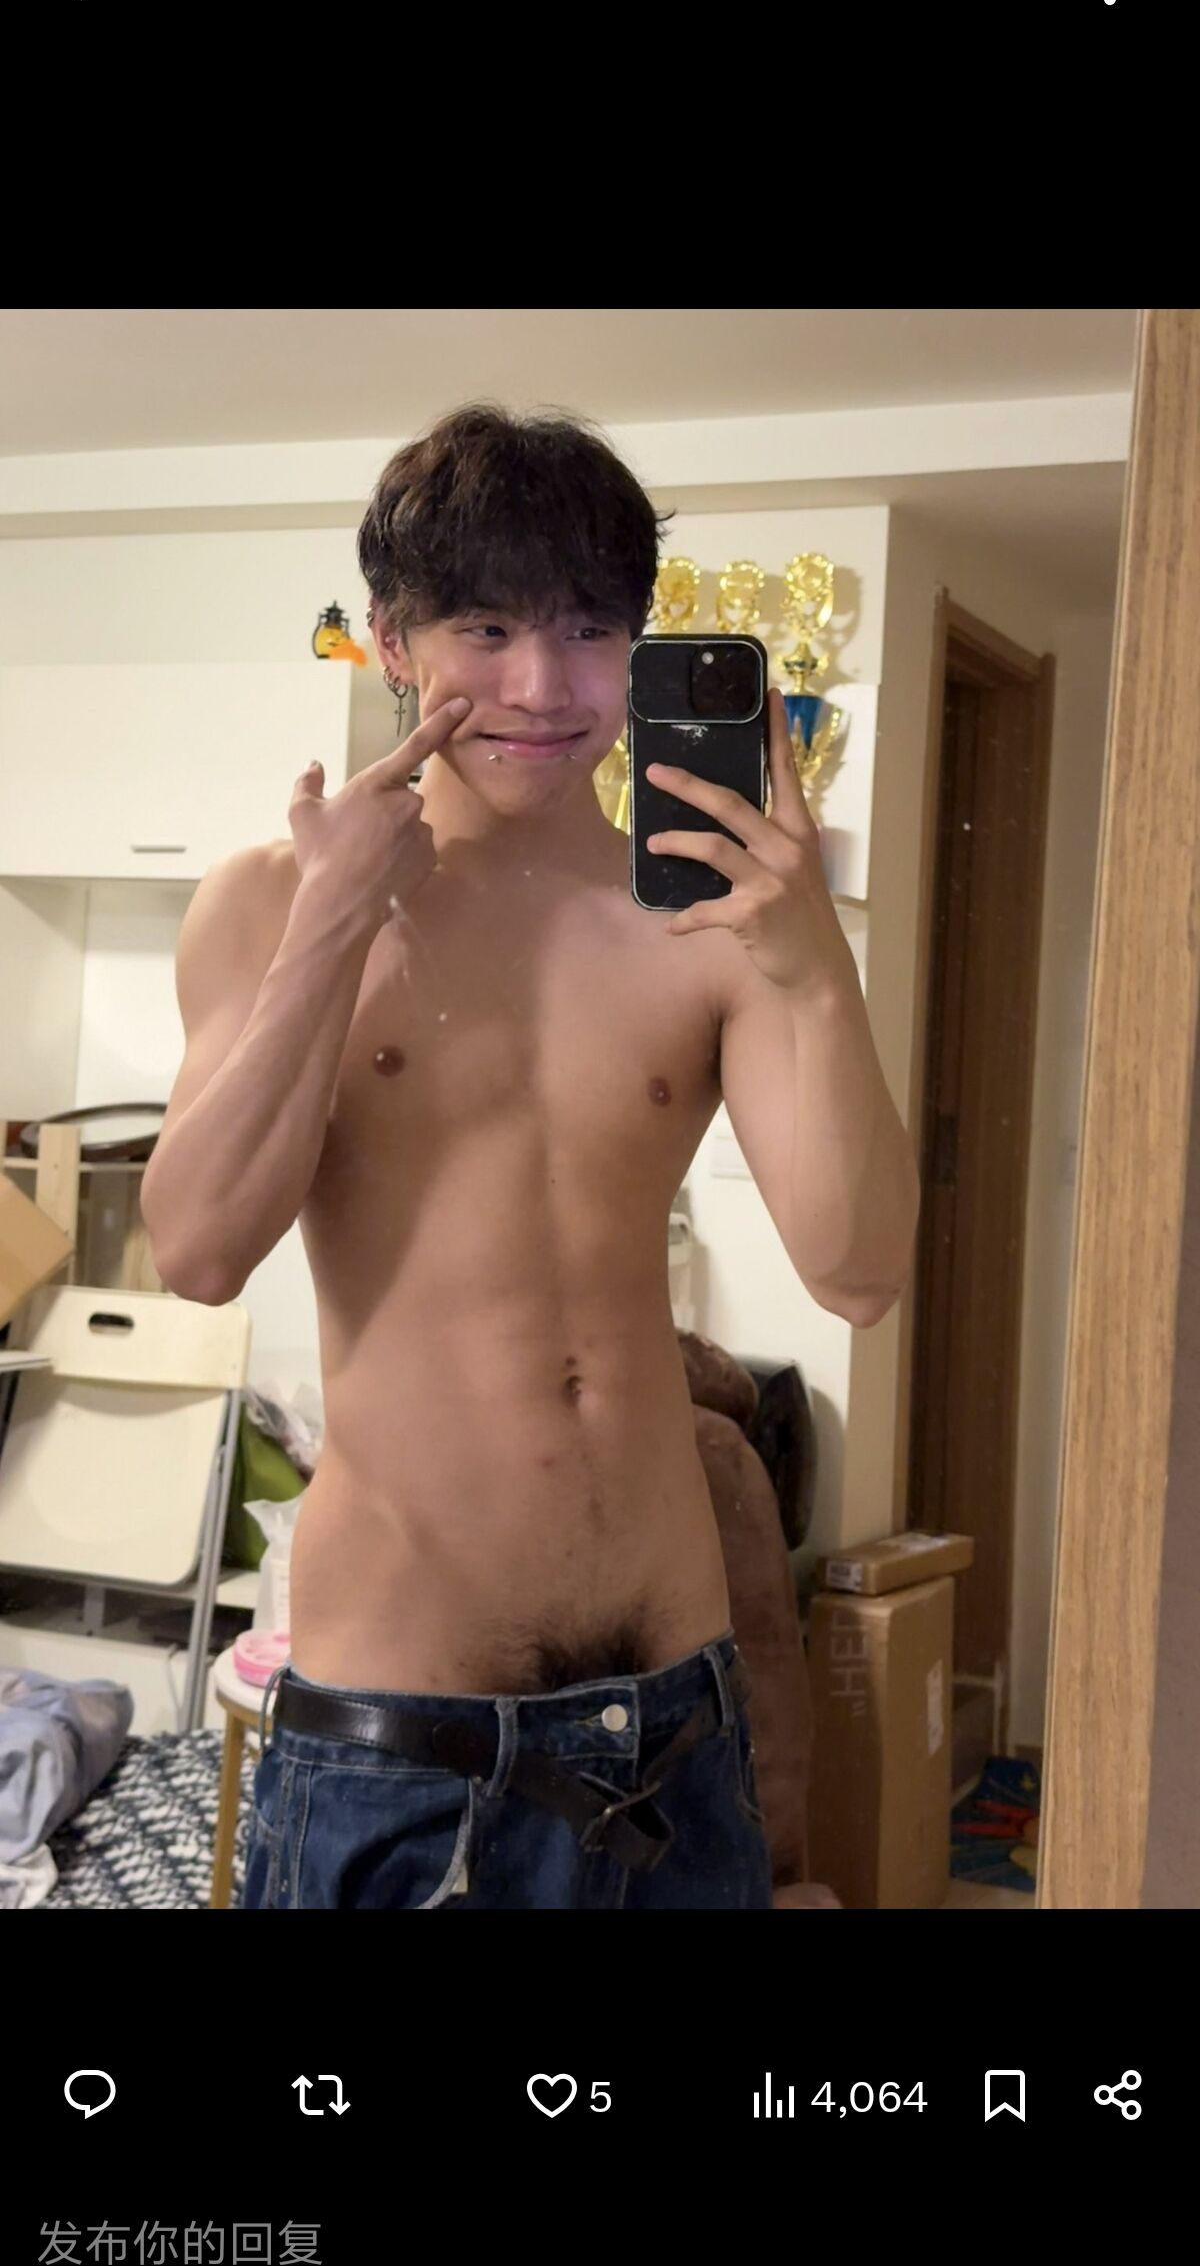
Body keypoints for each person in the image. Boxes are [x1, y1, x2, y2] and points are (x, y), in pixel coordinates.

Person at [140, 404, 919, 1909]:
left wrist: (815, 964)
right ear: (391, 637)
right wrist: (333, 926)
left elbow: (863, 1272)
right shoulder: (268, 901)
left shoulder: (708, 922)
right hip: (400, 1739)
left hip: (675, 1728)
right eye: (487, 629)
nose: (544, 688)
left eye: (588, 631)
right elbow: (198, 1250)